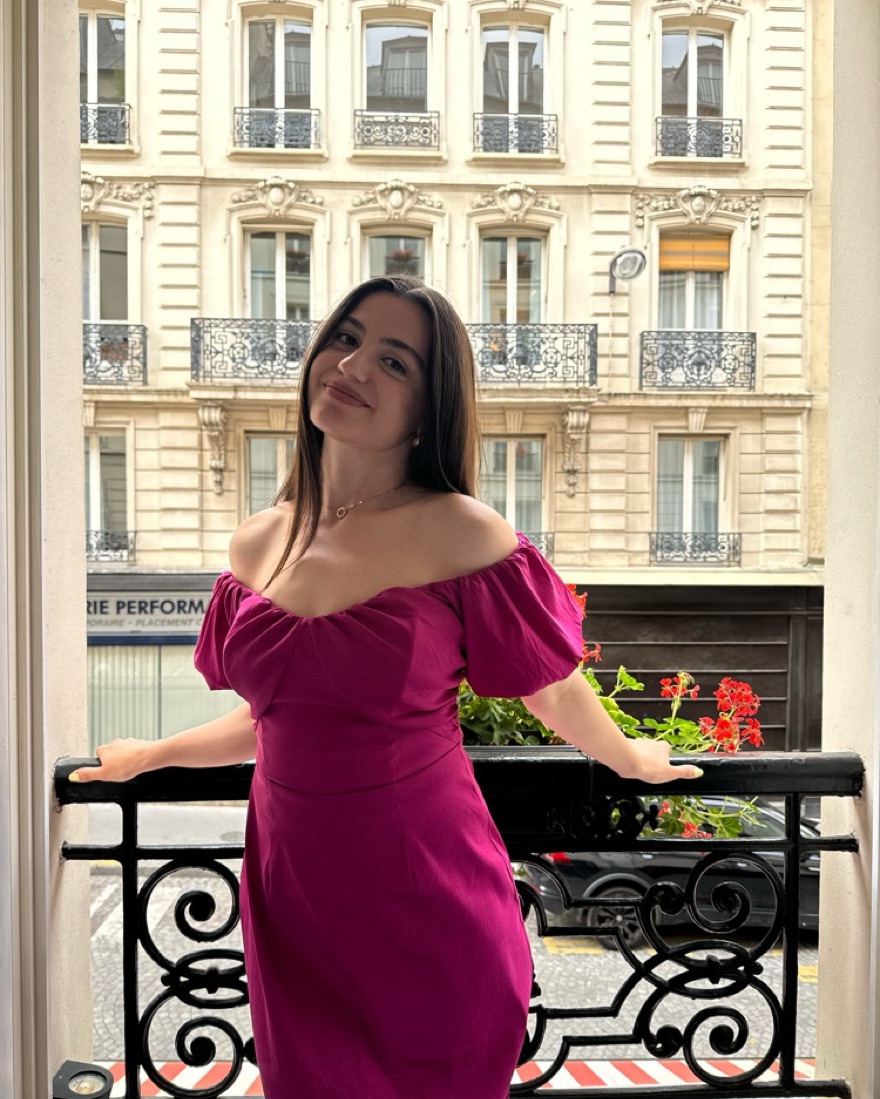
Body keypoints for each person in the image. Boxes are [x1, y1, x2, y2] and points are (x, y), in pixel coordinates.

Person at [71, 276, 702, 1099]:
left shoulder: (463, 531)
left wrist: (630, 758)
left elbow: (550, 688)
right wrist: (149, 754)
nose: (353, 365)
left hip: (427, 889)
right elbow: (273, 720)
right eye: (346, 337)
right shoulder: (257, 543)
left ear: (428, 410)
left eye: (395, 361)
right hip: (294, 896)